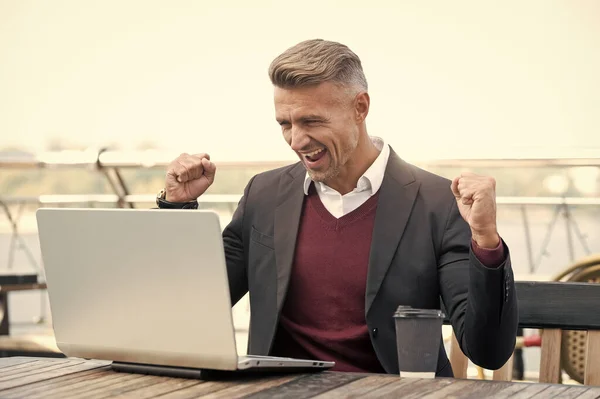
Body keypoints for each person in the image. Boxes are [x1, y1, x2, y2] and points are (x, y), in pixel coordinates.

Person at [156, 39, 518, 376]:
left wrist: (486, 240)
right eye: (285, 124)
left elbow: (487, 351)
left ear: (360, 107)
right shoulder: (263, 195)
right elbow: (189, 305)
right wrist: (177, 207)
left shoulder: (438, 203)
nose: (297, 140)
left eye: (312, 121)